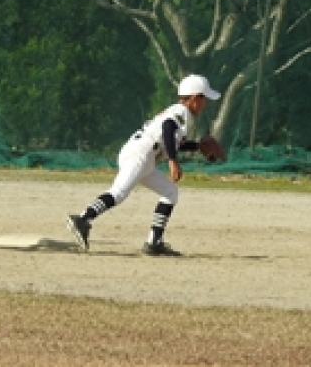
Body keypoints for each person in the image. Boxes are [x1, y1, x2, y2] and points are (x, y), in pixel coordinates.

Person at [66, 74, 221, 256]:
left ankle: (154, 242)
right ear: (195, 98)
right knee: (119, 192)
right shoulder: (182, 110)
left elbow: (171, 140)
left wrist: (197, 146)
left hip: (144, 155)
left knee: (170, 192)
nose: (205, 103)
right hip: (142, 153)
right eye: (204, 98)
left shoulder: (179, 112)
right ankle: (83, 219)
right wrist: (173, 161)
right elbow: (168, 128)